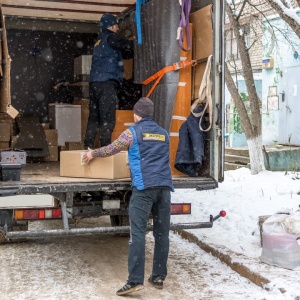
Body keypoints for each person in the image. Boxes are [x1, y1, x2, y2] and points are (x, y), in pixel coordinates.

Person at [83, 97, 174, 296]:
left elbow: (111, 149)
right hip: (165, 188)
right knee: (161, 234)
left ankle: (134, 281)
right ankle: (158, 276)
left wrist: (93, 153)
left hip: (144, 188)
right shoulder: (164, 134)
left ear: (136, 114)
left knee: (138, 233)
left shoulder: (131, 132)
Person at [84, 13, 134, 149]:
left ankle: (87, 148)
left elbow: (123, 53)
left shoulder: (99, 41)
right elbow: (127, 46)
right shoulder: (111, 37)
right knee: (108, 118)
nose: (118, 28)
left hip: (95, 84)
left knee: (94, 119)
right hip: (106, 84)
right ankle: (106, 149)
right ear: (111, 26)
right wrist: (139, 43)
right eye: (116, 26)